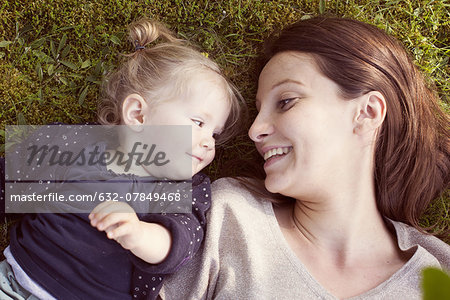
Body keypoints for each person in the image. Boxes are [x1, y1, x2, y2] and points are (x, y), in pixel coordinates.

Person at [159, 16, 450, 299]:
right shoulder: (226, 213)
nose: (254, 130)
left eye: (286, 102)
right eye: (259, 110)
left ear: (367, 113)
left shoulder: (437, 272)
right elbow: (117, 184)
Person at [0, 18, 243, 300]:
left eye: (215, 133)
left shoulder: (184, 189)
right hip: (15, 281)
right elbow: (12, 178)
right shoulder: (75, 144)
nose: (208, 142)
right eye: (198, 122)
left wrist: (139, 234)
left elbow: (181, 243)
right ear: (138, 114)